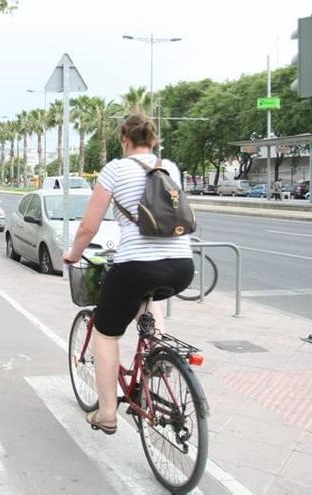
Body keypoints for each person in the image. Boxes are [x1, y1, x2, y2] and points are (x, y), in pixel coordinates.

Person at [62, 113, 194, 435]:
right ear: (153, 140)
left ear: (125, 140)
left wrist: (73, 254)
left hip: (136, 265)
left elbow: (89, 226)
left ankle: (107, 412)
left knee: (107, 334)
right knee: (151, 298)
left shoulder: (115, 169)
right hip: (181, 266)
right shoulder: (169, 167)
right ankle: (157, 356)